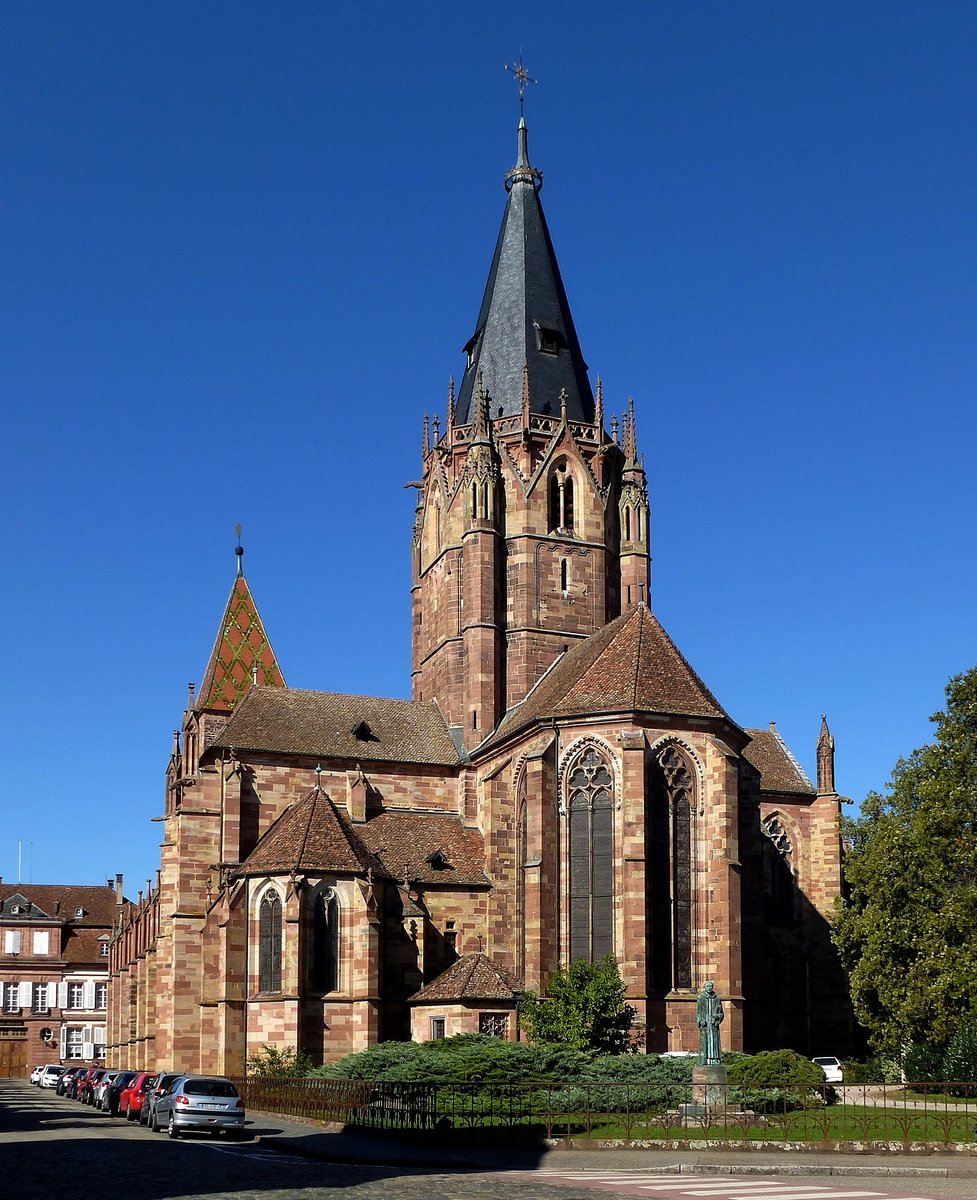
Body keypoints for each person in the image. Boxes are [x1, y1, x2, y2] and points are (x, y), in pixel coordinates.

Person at [696, 981, 724, 1066]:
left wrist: (717, 1017)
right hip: (705, 1025)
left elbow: (721, 1013)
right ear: (705, 988)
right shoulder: (701, 998)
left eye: (710, 987)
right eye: (707, 987)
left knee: (715, 1042)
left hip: (713, 1025)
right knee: (705, 1042)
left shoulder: (717, 998)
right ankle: (704, 1060)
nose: (709, 988)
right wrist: (700, 1021)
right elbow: (698, 1013)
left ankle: (715, 1059)